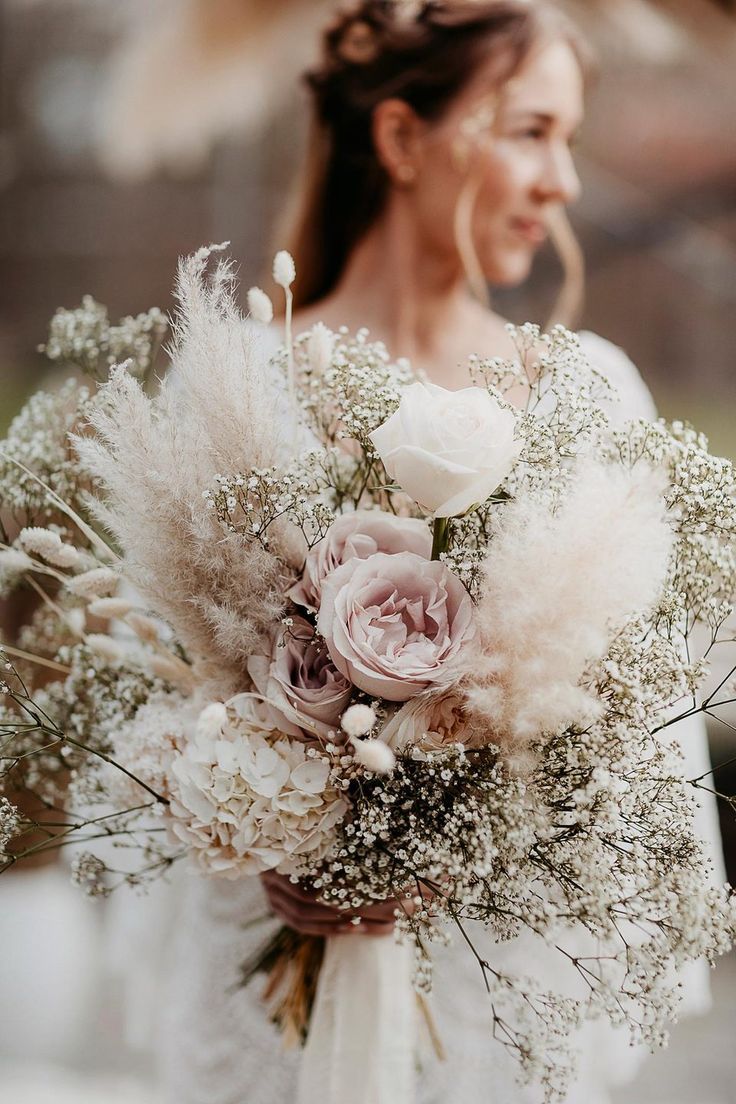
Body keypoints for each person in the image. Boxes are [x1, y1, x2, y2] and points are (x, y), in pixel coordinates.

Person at [159, 3, 723, 1102]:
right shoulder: (235, 383)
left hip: (491, 999)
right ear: (404, 139)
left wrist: (469, 827)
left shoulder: (588, 389)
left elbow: (643, 752)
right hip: (276, 995)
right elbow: (154, 702)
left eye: (568, 136)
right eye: (529, 131)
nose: (563, 180)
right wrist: (274, 833)